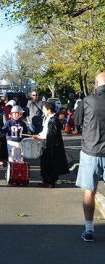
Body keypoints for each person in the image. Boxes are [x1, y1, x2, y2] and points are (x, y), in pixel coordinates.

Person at [74, 71, 105, 242]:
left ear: (96, 84)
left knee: (89, 191)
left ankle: (89, 229)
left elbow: (77, 121)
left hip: (90, 151)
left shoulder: (87, 100)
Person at [34, 102, 69, 188]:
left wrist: (40, 136)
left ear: (49, 110)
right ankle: (46, 180)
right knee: (44, 163)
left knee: (49, 164)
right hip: (47, 143)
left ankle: (50, 181)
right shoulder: (48, 118)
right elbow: (45, 131)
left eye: (44, 109)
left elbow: (51, 135)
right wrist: (39, 135)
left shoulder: (53, 120)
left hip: (50, 145)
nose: (43, 111)